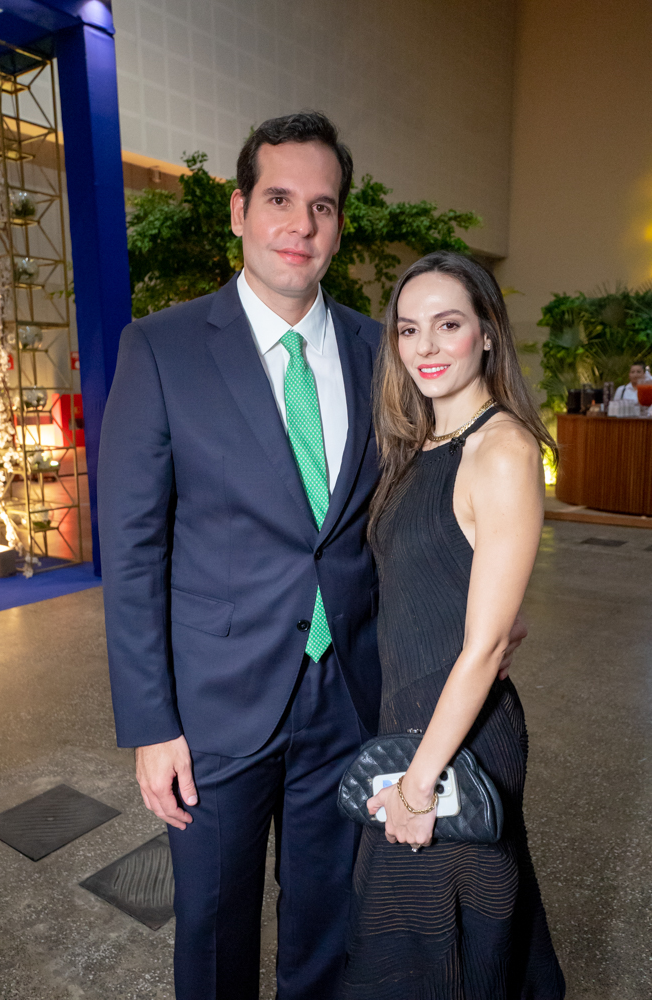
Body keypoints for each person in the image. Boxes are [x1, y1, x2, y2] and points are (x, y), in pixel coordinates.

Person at [98, 113, 526, 1000]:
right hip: (213, 709)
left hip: (353, 698)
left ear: (338, 224)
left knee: (332, 925)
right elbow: (132, 550)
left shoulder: (384, 352)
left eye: (322, 206)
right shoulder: (162, 348)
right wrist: (149, 723)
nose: (300, 225)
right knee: (213, 928)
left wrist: (480, 613)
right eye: (280, 200)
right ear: (239, 210)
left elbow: (430, 501)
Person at [341, 252, 565, 999]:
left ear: (487, 332)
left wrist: (417, 787)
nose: (426, 347)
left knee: (444, 951)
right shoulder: (419, 444)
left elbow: (484, 646)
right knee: (417, 945)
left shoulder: (502, 449)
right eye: (409, 329)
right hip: (412, 715)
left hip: (456, 737)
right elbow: (441, 578)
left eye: (448, 325)